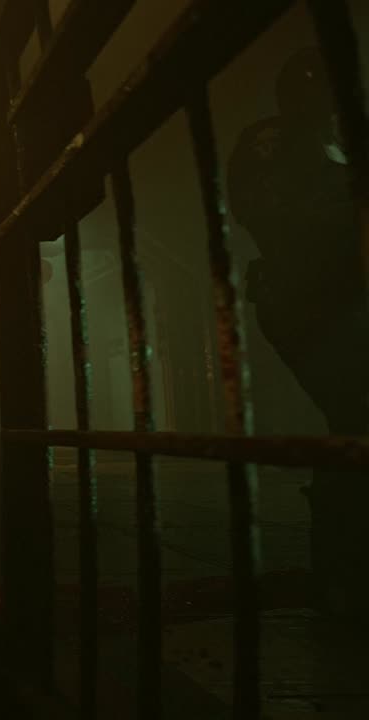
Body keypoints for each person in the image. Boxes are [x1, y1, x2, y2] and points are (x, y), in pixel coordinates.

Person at [229, 47, 369, 619]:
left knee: (353, 420)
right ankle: (342, 569)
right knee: (356, 416)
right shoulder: (278, 142)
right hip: (308, 300)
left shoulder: (330, 140)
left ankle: (341, 568)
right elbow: (281, 216)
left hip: (329, 298)